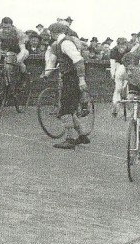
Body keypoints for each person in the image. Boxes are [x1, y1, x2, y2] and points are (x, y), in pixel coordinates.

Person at [43, 22, 92, 150]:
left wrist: (81, 80)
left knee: (64, 110)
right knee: (69, 109)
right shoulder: (59, 44)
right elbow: (55, 61)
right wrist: (47, 74)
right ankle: (82, 135)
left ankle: (70, 139)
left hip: (72, 78)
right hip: (68, 77)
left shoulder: (65, 43)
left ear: (53, 33)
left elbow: (78, 60)